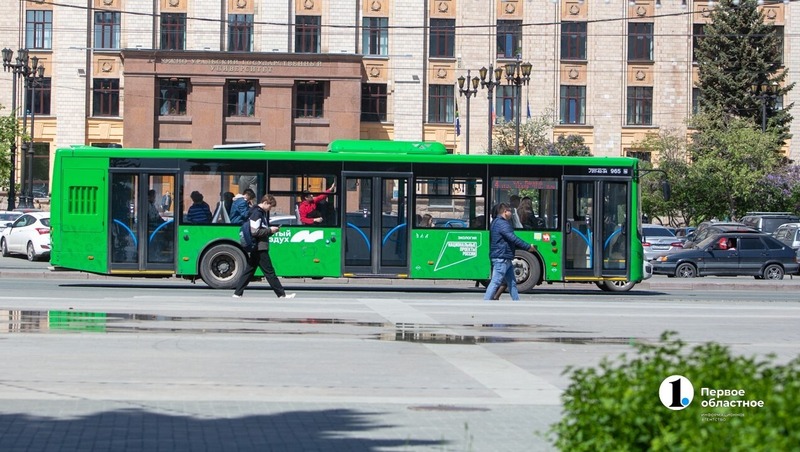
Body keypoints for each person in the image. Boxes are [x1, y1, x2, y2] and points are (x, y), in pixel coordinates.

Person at [233, 194, 295, 299]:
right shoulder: (257, 213)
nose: (270, 209)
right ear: (265, 203)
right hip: (259, 247)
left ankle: (237, 293)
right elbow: (254, 231)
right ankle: (281, 294)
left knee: (249, 271)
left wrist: (271, 231)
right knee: (269, 272)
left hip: (257, 246)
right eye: (270, 206)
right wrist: (270, 230)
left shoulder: (258, 213)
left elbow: (259, 230)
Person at [484, 202, 536, 301]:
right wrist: (527, 247)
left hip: (504, 257)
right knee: (496, 281)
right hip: (501, 257)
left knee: (512, 282)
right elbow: (513, 238)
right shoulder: (502, 224)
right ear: (505, 212)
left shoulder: (496, 222)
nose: (511, 214)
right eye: (510, 211)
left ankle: (516, 301)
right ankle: (486, 302)